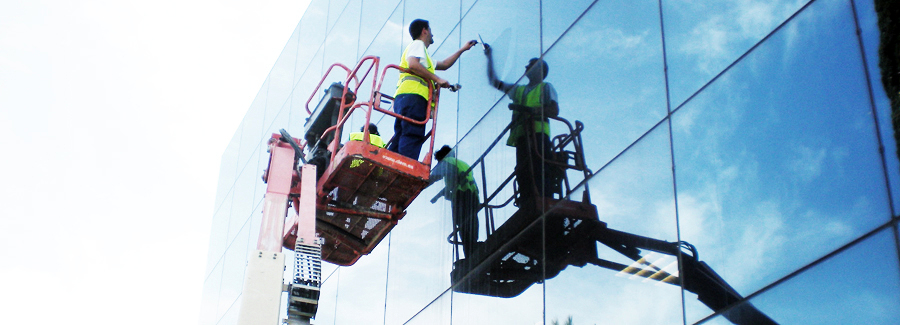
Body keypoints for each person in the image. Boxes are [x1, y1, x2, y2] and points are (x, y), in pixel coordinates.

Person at [388, 19, 477, 160]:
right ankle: (404, 167)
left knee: (401, 134)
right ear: (425, 31)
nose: (432, 34)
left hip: (404, 97)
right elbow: (412, 64)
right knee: (412, 133)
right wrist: (437, 79)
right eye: (430, 30)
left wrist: (462, 49)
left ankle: (389, 165)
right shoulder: (418, 45)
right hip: (414, 96)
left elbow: (445, 64)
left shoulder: (424, 57)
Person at [484, 43, 561, 202]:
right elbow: (494, 81)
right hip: (523, 137)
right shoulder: (519, 90)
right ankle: (527, 201)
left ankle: (542, 198)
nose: (526, 66)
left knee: (539, 169)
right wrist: (489, 57)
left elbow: (554, 111)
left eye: (530, 64)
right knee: (524, 171)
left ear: (540, 70)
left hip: (538, 135)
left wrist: (533, 112)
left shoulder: (546, 87)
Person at [429, 145, 480, 258]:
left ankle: (470, 254)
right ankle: (473, 248)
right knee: (471, 223)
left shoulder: (447, 162)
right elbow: (457, 182)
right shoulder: (461, 163)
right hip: (473, 196)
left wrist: (419, 184)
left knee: (463, 225)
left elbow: (433, 178)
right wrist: (439, 196)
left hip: (462, 195)